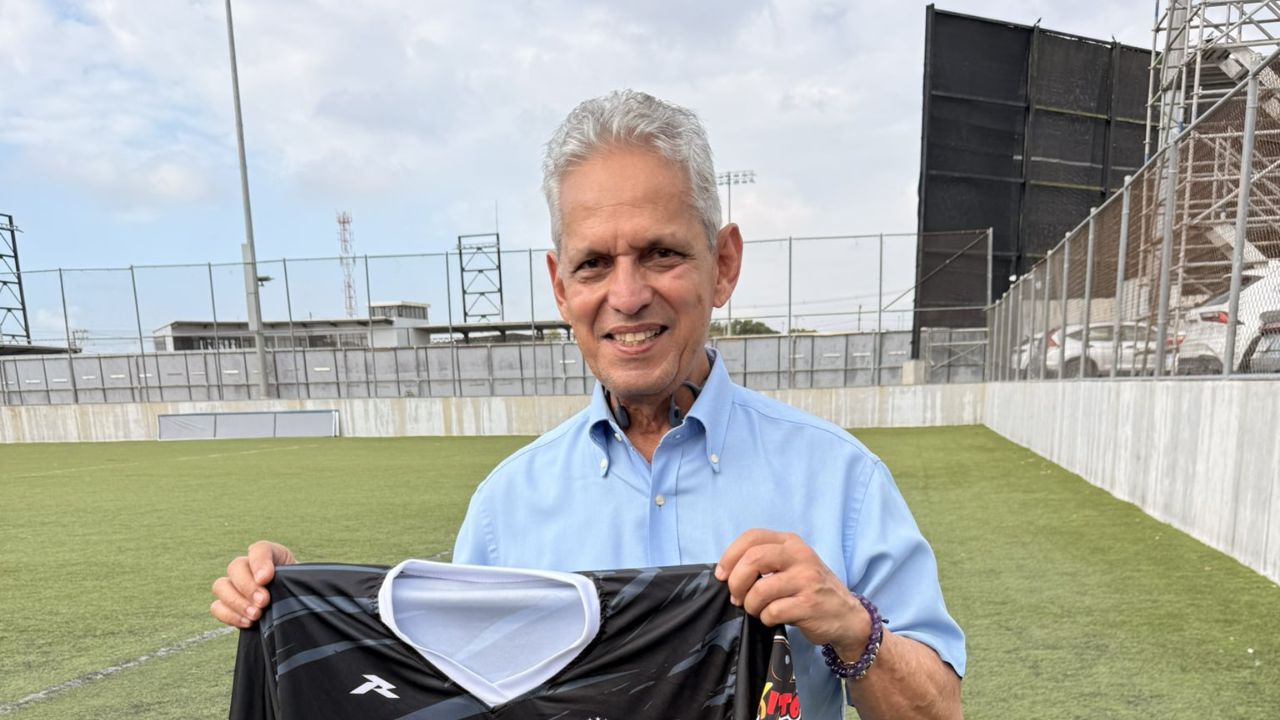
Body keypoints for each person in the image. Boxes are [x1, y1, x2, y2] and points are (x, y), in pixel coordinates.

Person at [212, 90, 965, 719]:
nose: (627, 295)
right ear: (560, 285)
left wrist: (852, 629)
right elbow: (452, 691)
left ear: (724, 262)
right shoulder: (506, 509)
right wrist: (312, 603)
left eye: (661, 253)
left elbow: (940, 712)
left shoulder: (840, 480)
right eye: (595, 263)